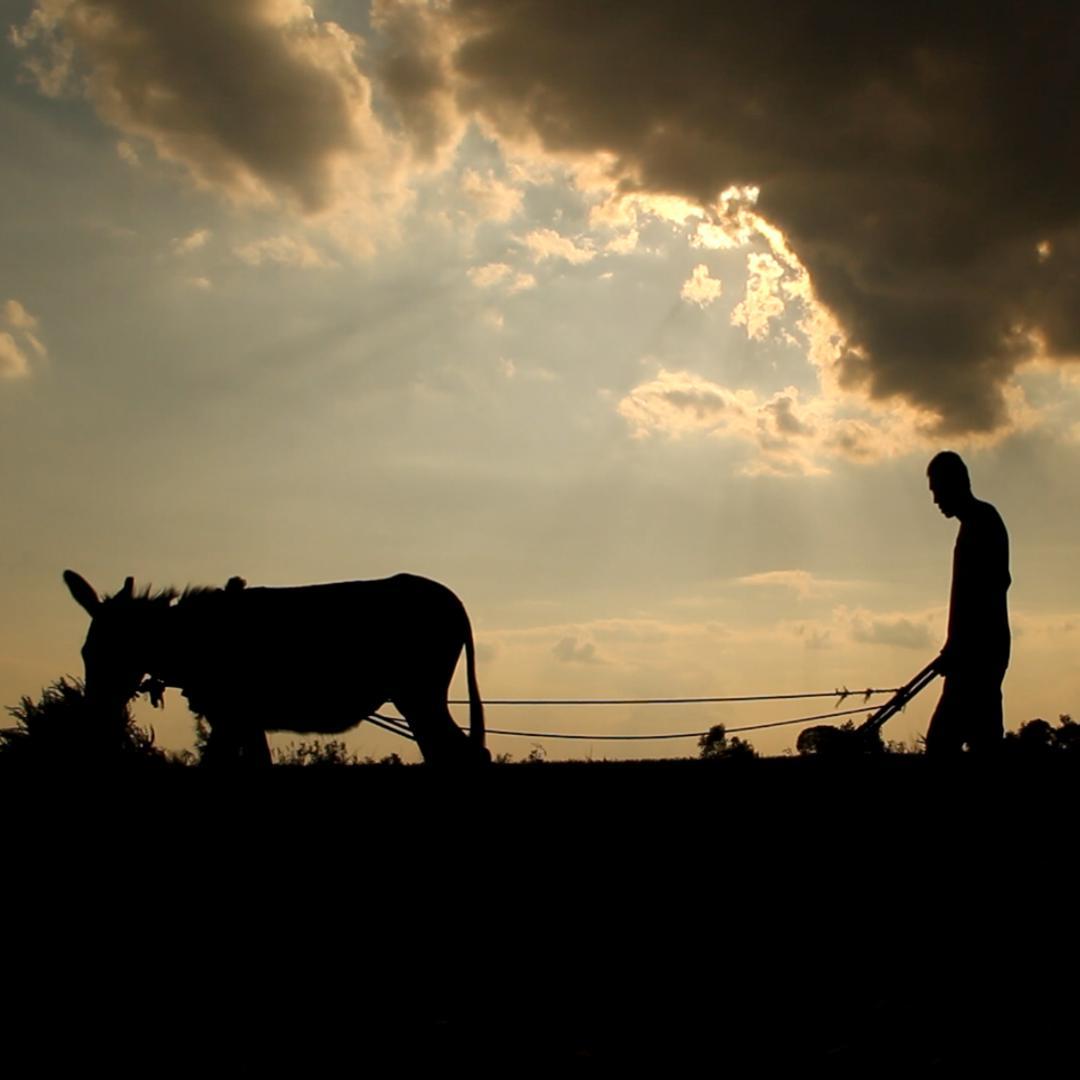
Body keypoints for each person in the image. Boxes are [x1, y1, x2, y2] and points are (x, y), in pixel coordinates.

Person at [925, 451, 1011, 754]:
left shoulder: (982, 521)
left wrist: (960, 644)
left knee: (941, 743)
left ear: (954, 483)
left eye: (937, 490)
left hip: (977, 653)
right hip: (975, 651)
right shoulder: (975, 523)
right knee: (984, 738)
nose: (935, 500)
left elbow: (990, 588)